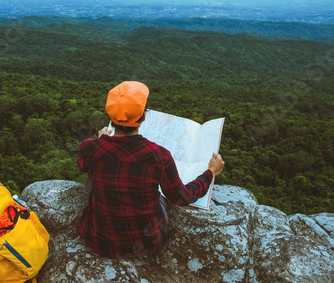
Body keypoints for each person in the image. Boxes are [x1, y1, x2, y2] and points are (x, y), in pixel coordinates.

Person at [76, 81, 224, 259]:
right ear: (144, 117)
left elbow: (83, 166)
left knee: (93, 176)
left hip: (99, 241)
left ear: (111, 116)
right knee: (161, 194)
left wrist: (100, 141)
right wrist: (210, 173)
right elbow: (181, 198)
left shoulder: (90, 148)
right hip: (146, 243)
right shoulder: (158, 156)